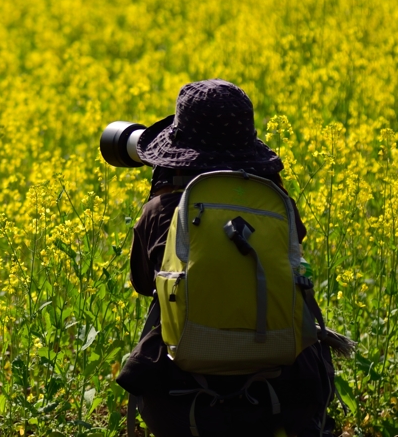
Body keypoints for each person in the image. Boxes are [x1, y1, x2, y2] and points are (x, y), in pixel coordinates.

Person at [116, 79, 337, 437]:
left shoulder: (161, 210)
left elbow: (144, 285)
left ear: (177, 149)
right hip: (281, 396)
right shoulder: (278, 205)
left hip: (183, 402)